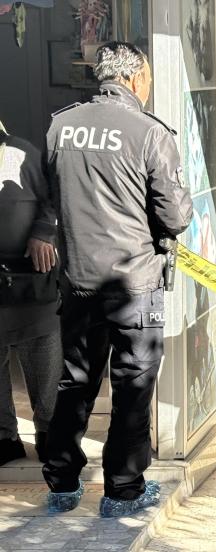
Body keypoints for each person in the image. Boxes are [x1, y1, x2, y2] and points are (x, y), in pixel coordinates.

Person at [41, 42, 193, 516]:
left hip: (79, 281)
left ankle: (61, 484)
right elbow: (175, 216)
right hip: (134, 285)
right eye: (148, 79)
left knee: (75, 381)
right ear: (135, 79)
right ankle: (122, 490)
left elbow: (55, 194)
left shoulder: (60, 126)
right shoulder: (150, 132)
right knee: (132, 387)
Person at [0, 119, 61, 466]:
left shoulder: (23, 151)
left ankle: (50, 433)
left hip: (30, 272)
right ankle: (4, 437)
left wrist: (43, 232)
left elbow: (54, 196)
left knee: (43, 353)